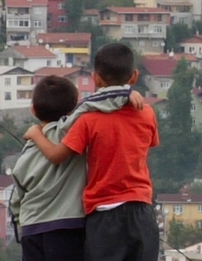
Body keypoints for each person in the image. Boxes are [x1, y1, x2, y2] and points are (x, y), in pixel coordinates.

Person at [24, 43, 160, 261]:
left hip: (104, 214)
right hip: (141, 209)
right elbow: (149, 144)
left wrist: (35, 134)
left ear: (96, 79)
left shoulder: (88, 119)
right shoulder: (146, 113)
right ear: (134, 76)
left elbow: (56, 156)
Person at [10, 74, 143, 261]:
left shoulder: (26, 155)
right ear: (73, 109)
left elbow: (16, 199)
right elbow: (92, 103)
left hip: (32, 231)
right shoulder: (73, 132)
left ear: (33, 110)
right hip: (68, 228)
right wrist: (125, 93)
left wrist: (21, 233)